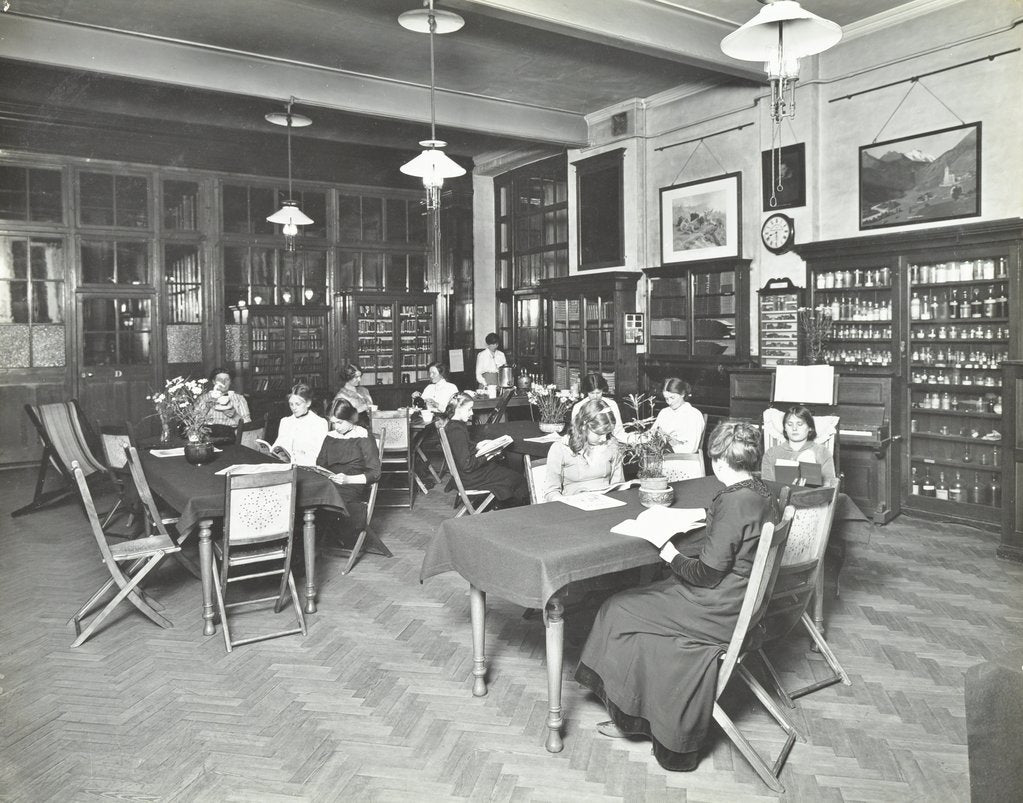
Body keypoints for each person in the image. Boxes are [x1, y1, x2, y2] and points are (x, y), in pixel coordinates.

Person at [575, 421, 778, 771]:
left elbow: (706, 574)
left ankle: (629, 714)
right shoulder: (761, 492)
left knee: (618, 607)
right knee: (644, 599)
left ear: (718, 459)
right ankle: (637, 712)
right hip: (740, 602)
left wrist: (669, 554)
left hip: (716, 607)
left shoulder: (733, 501)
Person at [438, 392, 528, 508]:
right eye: (469, 409)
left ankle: (501, 503)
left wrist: (477, 446)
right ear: (458, 408)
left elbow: (461, 449)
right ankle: (510, 508)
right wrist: (489, 455)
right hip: (470, 478)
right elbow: (467, 465)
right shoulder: (457, 431)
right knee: (517, 479)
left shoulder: (454, 425)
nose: (472, 413)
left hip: (468, 475)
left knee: (506, 471)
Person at [316, 398, 381, 533]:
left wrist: (348, 479)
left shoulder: (363, 436)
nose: (336, 427)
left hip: (350, 485)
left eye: (339, 422)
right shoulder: (330, 436)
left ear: (350, 418)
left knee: (319, 504)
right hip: (330, 483)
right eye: (333, 423)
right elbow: (320, 464)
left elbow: (375, 473)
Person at [545, 399, 624, 501]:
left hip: (606, 503)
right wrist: (564, 501)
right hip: (573, 506)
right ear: (584, 426)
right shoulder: (561, 449)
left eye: (607, 433)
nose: (604, 438)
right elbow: (550, 492)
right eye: (599, 434)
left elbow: (618, 485)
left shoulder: (612, 445)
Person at [760, 405, 837, 484]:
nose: (794, 428)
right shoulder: (772, 453)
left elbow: (829, 486)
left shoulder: (822, 452)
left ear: (810, 427)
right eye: (789, 424)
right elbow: (767, 486)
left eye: (799, 424)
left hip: (813, 495)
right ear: (785, 428)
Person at [272, 383, 327, 466]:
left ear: (308, 403)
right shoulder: (285, 422)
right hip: (285, 466)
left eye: (297, 404)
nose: (294, 408)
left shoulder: (319, 423)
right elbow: (278, 445)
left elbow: (320, 455)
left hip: (308, 468)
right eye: (291, 404)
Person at [651, 377, 704, 454]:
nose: (669, 402)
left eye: (672, 397)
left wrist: (667, 444)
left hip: (683, 459)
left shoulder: (694, 414)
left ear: (682, 394)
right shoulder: (664, 412)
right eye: (666, 399)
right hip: (662, 457)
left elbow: (691, 448)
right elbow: (651, 435)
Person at [570, 372, 627, 442]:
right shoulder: (578, 406)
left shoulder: (611, 404)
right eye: (591, 393)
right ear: (586, 392)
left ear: (603, 390)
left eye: (598, 393)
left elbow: (618, 432)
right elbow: (575, 432)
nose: (595, 396)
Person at [204, 367, 251, 442]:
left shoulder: (239, 399)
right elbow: (194, 423)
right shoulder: (204, 398)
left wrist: (235, 415)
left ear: (230, 382)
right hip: (208, 438)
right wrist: (206, 407)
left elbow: (247, 425)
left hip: (231, 438)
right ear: (213, 382)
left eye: (227, 379)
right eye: (219, 380)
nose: (223, 383)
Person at [333, 363, 374, 429]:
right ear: (348, 377)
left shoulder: (364, 391)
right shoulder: (341, 396)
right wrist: (359, 410)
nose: (359, 380)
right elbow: (337, 420)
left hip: (369, 426)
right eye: (356, 377)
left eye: (360, 376)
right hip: (352, 430)